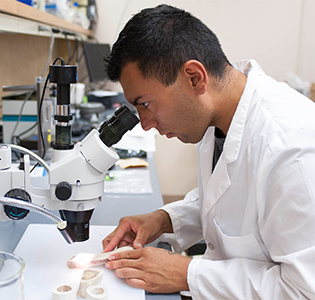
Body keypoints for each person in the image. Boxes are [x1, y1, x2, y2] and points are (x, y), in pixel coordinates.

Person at [101, 4, 315, 299]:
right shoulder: (214, 116)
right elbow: (228, 199)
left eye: (145, 104)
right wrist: (164, 219)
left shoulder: (292, 150)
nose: (146, 124)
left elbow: (305, 289)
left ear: (194, 77)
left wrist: (185, 273)